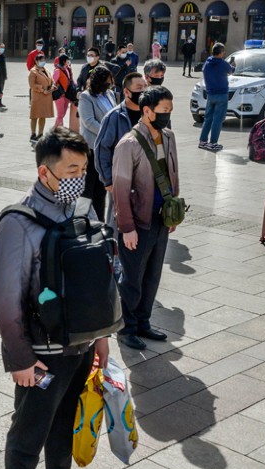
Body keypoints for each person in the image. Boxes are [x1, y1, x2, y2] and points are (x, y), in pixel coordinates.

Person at [0, 126, 108, 469]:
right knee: (29, 431)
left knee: (65, 425)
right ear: (45, 172)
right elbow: (6, 300)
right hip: (40, 356)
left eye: (84, 167)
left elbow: (98, 281)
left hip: (79, 347)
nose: (81, 176)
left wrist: (100, 338)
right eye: (72, 169)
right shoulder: (19, 223)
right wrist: (20, 359)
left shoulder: (82, 210)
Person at [110, 86, 180, 350]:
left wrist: (174, 211)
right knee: (132, 278)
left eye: (170, 111)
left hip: (161, 218)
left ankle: (143, 321)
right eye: (163, 111)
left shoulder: (169, 136)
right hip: (138, 222)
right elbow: (119, 189)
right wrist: (127, 227)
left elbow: (173, 174)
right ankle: (125, 328)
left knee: (152, 275)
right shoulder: (129, 144)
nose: (167, 116)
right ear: (146, 111)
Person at [94, 72, 146, 221]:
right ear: (126, 92)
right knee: (117, 220)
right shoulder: (114, 117)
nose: (143, 91)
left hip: (145, 179)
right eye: (138, 88)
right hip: (121, 179)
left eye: (145, 87)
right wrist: (108, 180)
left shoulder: (149, 114)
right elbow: (101, 149)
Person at [77, 65, 116, 221]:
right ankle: (81, 220)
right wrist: (107, 134)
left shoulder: (110, 94)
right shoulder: (86, 97)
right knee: (87, 189)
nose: (110, 84)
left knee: (101, 189)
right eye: (107, 81)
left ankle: (98, 222)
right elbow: (88, 122)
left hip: (106, 150)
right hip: (92, 148)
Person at [198, 43, 232, 151]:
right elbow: (231, 70)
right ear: (221, 52)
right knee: (218, 119)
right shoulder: (223, 63)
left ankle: (203, 141)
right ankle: (213, 142)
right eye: (223, 52)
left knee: (208, 118)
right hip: (221, 94)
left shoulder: (207, 63)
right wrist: (232, 64)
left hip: (210, 95)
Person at [28, 54, 54, 143]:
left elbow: (52, 80)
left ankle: (40, 133)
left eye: (44, 60)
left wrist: (52, 87)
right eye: (41, 60)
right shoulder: (33, 71)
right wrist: (43, 90)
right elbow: (32, 85)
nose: (43, 62)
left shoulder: (46, 70)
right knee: (35, 115)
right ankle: (33, 133)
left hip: (46, 96)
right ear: (36, 61)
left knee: (43, 115)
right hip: (38, 96)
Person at [52, 54, 75, 129]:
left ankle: (56, 129)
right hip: (60, 95)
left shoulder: (68, 69)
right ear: (64, 61)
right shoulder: (57, 70)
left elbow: (71, 80)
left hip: (67, 95)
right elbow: (53, 82)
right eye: (67, 60)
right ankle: (58, 130)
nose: (68, 62)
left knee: (63, 114)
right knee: (60, 115)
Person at [0, 43, 8, 107]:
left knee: (1, 89)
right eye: (1, 47)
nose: (2, 49)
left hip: (2, 75)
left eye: (3, 47)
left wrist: (5, 75)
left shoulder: (3, 56)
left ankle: (0, 102)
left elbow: (4, 66)